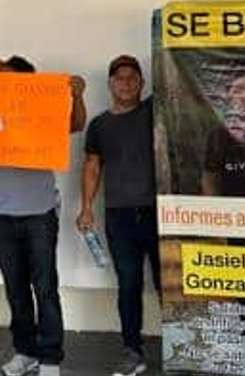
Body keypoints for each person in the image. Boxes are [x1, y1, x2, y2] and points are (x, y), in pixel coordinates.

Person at [0, 56, 86, 376]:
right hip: (3, 215)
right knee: (15, 289)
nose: (10, 85)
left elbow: (75, 124)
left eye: (18, 81)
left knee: (44, 287)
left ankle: (51, 357)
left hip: (39, 215)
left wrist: (77, 95)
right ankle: (25, 351)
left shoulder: (44, 112)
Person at [76, 55, 160, 376]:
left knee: (168, 285)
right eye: (119, 78)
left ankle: (184, 348)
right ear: (110, 84)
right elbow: (92, 167)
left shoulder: (154, 111)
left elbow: (176, 78)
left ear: (142, 83)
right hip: (119, 218)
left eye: (131, 77)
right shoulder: (99, 125)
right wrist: (85, 208)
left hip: (159, 214)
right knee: (128, 286)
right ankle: (132, 352)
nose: (125, 82)